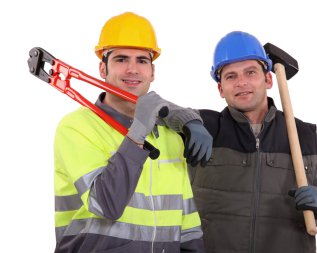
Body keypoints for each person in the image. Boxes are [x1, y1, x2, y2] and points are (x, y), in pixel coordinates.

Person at [165, 31, 317, 253]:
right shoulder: (202, 127)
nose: (241, 82)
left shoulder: (307, 140)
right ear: (220, 88)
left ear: (269, 79)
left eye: (250, 72)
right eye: (231, 76)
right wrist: (188, 121)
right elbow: (148, 107)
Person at [53, 12, 209, 253]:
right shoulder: (76, 127)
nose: (132, 69)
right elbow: (105, 205)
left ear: (152, 72)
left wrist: (189, 119)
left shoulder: (170, 137)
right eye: (121, 59)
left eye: (142, 61)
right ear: (102, 68)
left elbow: (187, 224)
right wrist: (138, 132)